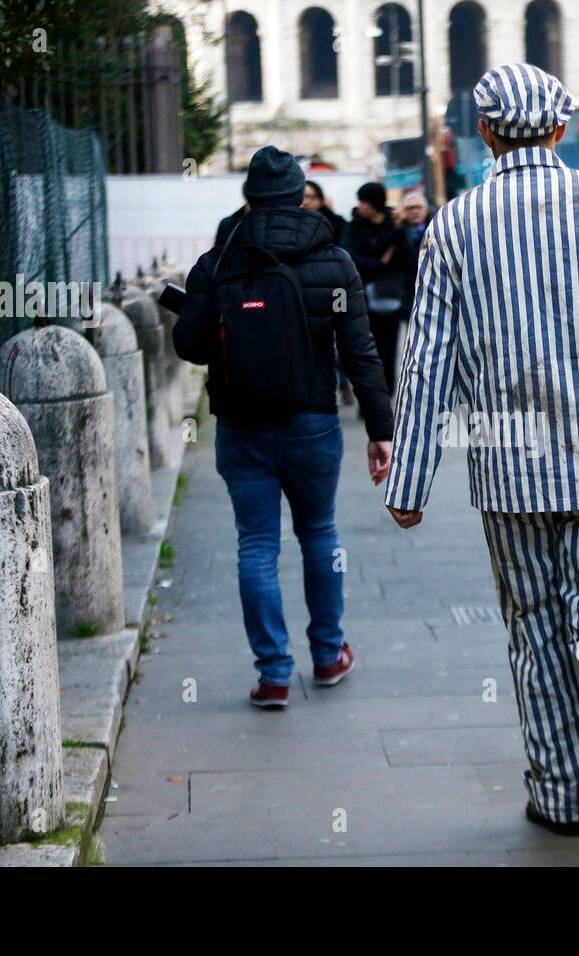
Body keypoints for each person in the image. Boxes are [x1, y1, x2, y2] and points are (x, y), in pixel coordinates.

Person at [383, 63, 579, 868]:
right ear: (561, 129)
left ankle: (561, 790)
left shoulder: (455, 227)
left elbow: (427, 361)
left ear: (486, 133)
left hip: (509, 473)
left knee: (534, 626)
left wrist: (410, 479)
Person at [174, 145, 395, 709]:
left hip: (241, 424)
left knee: (256, 545)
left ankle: (274, 674)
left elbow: (189, 346)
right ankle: (328, 655)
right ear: (302, 195)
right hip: (313, 422)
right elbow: (361, 352)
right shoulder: (334, 261)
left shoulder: (219, 260)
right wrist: (379, 428)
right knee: (320, 533)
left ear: (248, 197)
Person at [341, 182, 408, 393]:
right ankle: (369, 393)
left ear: (374, 204)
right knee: (367, 349)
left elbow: (406, 258)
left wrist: (399, 231)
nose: (360, 206)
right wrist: (379, 263)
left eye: (364, 201)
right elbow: (350, 256)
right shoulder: (354, 227)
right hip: (360, 295)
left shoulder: (394, 224)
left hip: (388, 296)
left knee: (388, 347)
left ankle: (387, 390)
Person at [303, 179, 346, 244]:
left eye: (309, 196)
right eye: (302, 196)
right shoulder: (289, 220)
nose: (306, 202)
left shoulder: (336, 222)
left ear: (320, 200)